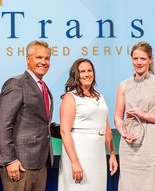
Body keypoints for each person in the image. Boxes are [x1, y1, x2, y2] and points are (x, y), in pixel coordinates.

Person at [0, 40, 61, 191]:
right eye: (39, 57)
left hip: (41, 163)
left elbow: (42, 124)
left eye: (47, 58)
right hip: (19, 164)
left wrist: (70, 129)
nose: (44, 62)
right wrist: (10, 160)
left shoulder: (43, 87)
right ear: (28, 59)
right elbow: (3, 124)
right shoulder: (16, 84)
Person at [114, 41, 155, 191]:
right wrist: (123, 132)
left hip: (151, 141)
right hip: (129, 143)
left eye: (142, 58)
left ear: (150, 60)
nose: (139, 62)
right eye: (135, 59)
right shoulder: (124, 85)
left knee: (151, 183)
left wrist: (144, 115)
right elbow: (117, 117)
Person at [58, 58, 118, 191]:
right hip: (79, 153)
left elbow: (107, 129)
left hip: (98, 155)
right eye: (82, 71)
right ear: (76, 75)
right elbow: (64, 131)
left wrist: (112, 154)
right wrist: (74, 162)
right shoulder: (70, 97)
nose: (87, 74)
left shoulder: (99, 96)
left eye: (89, 70)